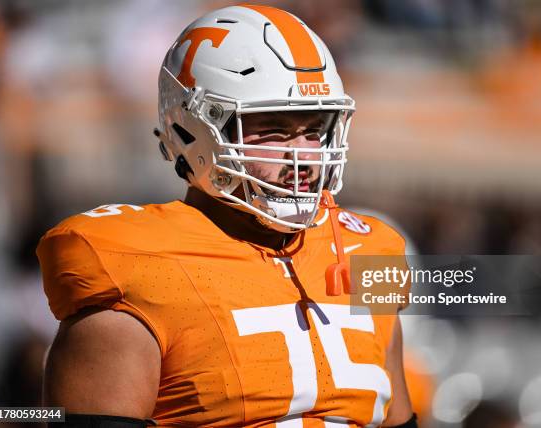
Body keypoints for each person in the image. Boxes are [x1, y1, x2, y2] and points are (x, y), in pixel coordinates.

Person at [37, 4, 416, 428]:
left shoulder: (372, 250)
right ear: (191, 129)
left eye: (315, 129)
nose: (305, 156)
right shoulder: (133, 263)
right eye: (272, 130)